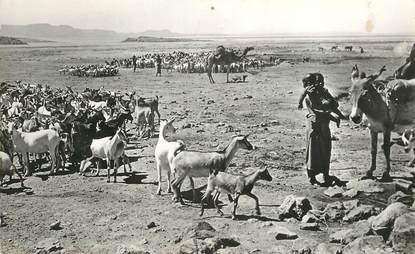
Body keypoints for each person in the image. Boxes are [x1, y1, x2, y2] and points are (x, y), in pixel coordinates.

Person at [300, 73, 339, 186]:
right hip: (314, 127)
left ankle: (326, 175)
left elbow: (334, 104)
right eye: (318, 81)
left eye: (322, 81)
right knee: (313, 152)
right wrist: (330, 114)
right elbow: (316, 111)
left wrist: (332, 112)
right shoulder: (309, 96)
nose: (320, 83)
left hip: (324, 127)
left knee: (326, 151)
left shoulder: (324, 94)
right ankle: (312, 178)